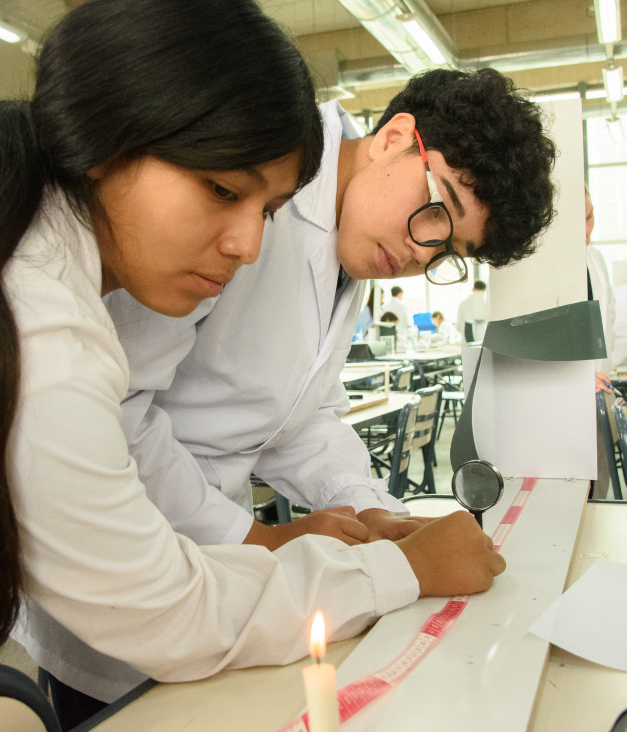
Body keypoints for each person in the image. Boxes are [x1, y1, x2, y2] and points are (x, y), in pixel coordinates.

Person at [0, 2, 507, 728]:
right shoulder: (46, 332)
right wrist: (392, 570)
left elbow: (301, 418)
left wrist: (366, 518)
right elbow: (166, 606)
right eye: (223, 191)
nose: (247, 247)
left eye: (268, 211)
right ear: (106, 137)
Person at [96, 65, 554, 713]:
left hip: (218, 579)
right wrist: (258, 540)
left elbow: (302, 418)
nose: (423, 253)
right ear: (395, 137)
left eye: (449, 249)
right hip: (123, 567)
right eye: (439, 210)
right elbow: (117, 410)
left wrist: (368, 511)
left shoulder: (356, 238)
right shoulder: (254, 187)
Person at [585, 185, 616, 379]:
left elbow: (608, 324)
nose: (587, 230)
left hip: (597, 381)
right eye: (577, 221)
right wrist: (580, 379)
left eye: (589, 217)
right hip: (558, 389)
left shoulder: (595, 258)